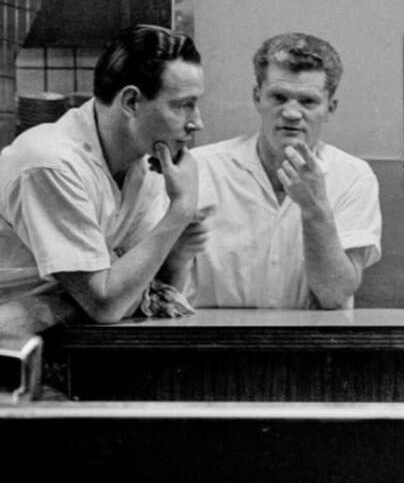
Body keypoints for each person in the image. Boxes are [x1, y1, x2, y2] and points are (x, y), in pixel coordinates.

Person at [0, 24, 206, 323]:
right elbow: (106, 304)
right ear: (131, 102)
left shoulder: (141, 166)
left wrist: (174, 256)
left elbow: (152, 296)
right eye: (184, 105)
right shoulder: (50, 163)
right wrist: (180, 210)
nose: (196, 122)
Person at [189, 32, 381, 309]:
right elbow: (170, 285)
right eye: (279, 97)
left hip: (312, 349)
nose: (291, 113)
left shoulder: (352, 177)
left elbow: (334, 294)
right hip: (219, 346)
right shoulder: (203, 168)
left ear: (330, 108)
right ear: (257, 97)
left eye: (307, 101)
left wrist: (315, 209)